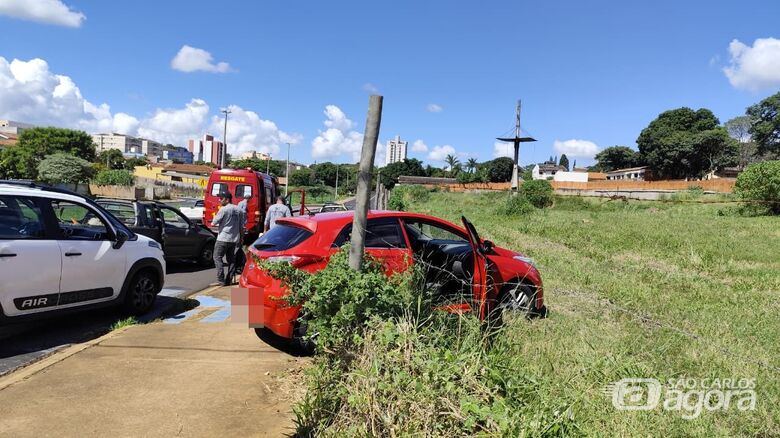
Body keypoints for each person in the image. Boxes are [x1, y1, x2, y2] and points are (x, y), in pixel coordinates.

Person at [210, 192, 244, 286]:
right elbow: (241, 227)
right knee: (231, 260)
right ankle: (229, 280)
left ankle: (220, 279)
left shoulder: (223, 209)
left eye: (221, 198)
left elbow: (214, 222)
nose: (219, 200)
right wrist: (241, 239)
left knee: (217, 257)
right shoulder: (239, 210)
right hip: (233, 239)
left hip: (222, 238)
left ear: (227, 199)